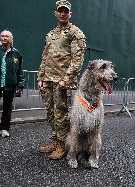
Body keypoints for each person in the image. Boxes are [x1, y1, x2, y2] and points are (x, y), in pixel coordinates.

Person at [37, 0, 86, 160]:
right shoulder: (50, 34)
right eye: (60, 10)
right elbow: (45, 56)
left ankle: (63, 145)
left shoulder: (75, 32)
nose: (63, 13)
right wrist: (40, 77)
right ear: (56, 13)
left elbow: (77, 59)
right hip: (48, 80)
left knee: (61, 114)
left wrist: (66, 80)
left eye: (66, 11)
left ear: (70, 14)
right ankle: (56, 140)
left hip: (61, 82)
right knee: (50, 113)